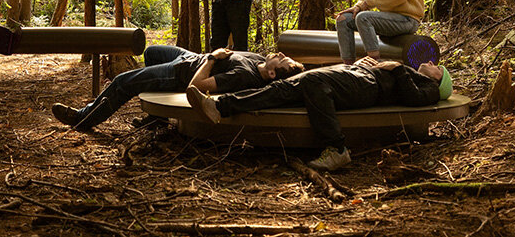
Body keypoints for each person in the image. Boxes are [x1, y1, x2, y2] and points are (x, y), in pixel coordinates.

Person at [186, 56, 453, 171]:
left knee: (312, 84)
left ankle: (336, 149)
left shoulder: (428, 87)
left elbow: (414, 99)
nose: (430, 63)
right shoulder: (415, 75)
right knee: (284, 87)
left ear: (439, 83)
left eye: (436, 68)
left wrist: (396, 69)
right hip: (357, 76)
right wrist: (362, 65)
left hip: (367, 87)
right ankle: (219, 106)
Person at [51, 44, 303, 131]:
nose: (279, 53)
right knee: (151, 52)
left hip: (181, 73)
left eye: (282, 59)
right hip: (187, 56)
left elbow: (196, 85)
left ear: (272, 73)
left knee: (122, 82)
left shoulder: (243, 76)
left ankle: (83, 119)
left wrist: (212, 58)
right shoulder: (260, 62)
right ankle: (157, 119)